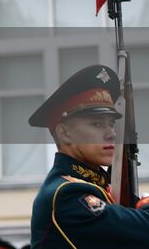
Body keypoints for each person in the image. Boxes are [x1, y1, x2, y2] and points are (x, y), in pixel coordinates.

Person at [27, 64, 149, 245]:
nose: (112, 134)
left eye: (111, 124)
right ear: (64, 133)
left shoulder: (97, 187)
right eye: (97, 124)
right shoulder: (67, 194)